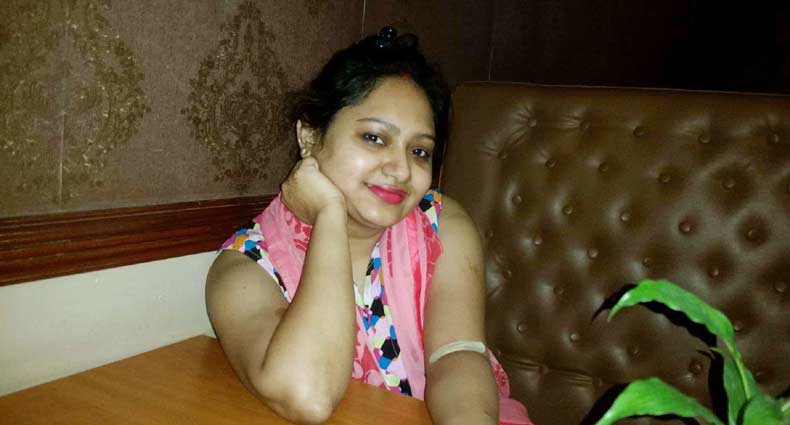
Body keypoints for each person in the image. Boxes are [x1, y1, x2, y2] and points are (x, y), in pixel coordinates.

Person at [205, 27, 533, 425]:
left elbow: (456, 358)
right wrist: (329, 216)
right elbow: (306, 395)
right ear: (309, 135)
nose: (401, 170)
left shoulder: (441, 226)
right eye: (375, 138)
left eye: (419, 150)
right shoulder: (246, 268)